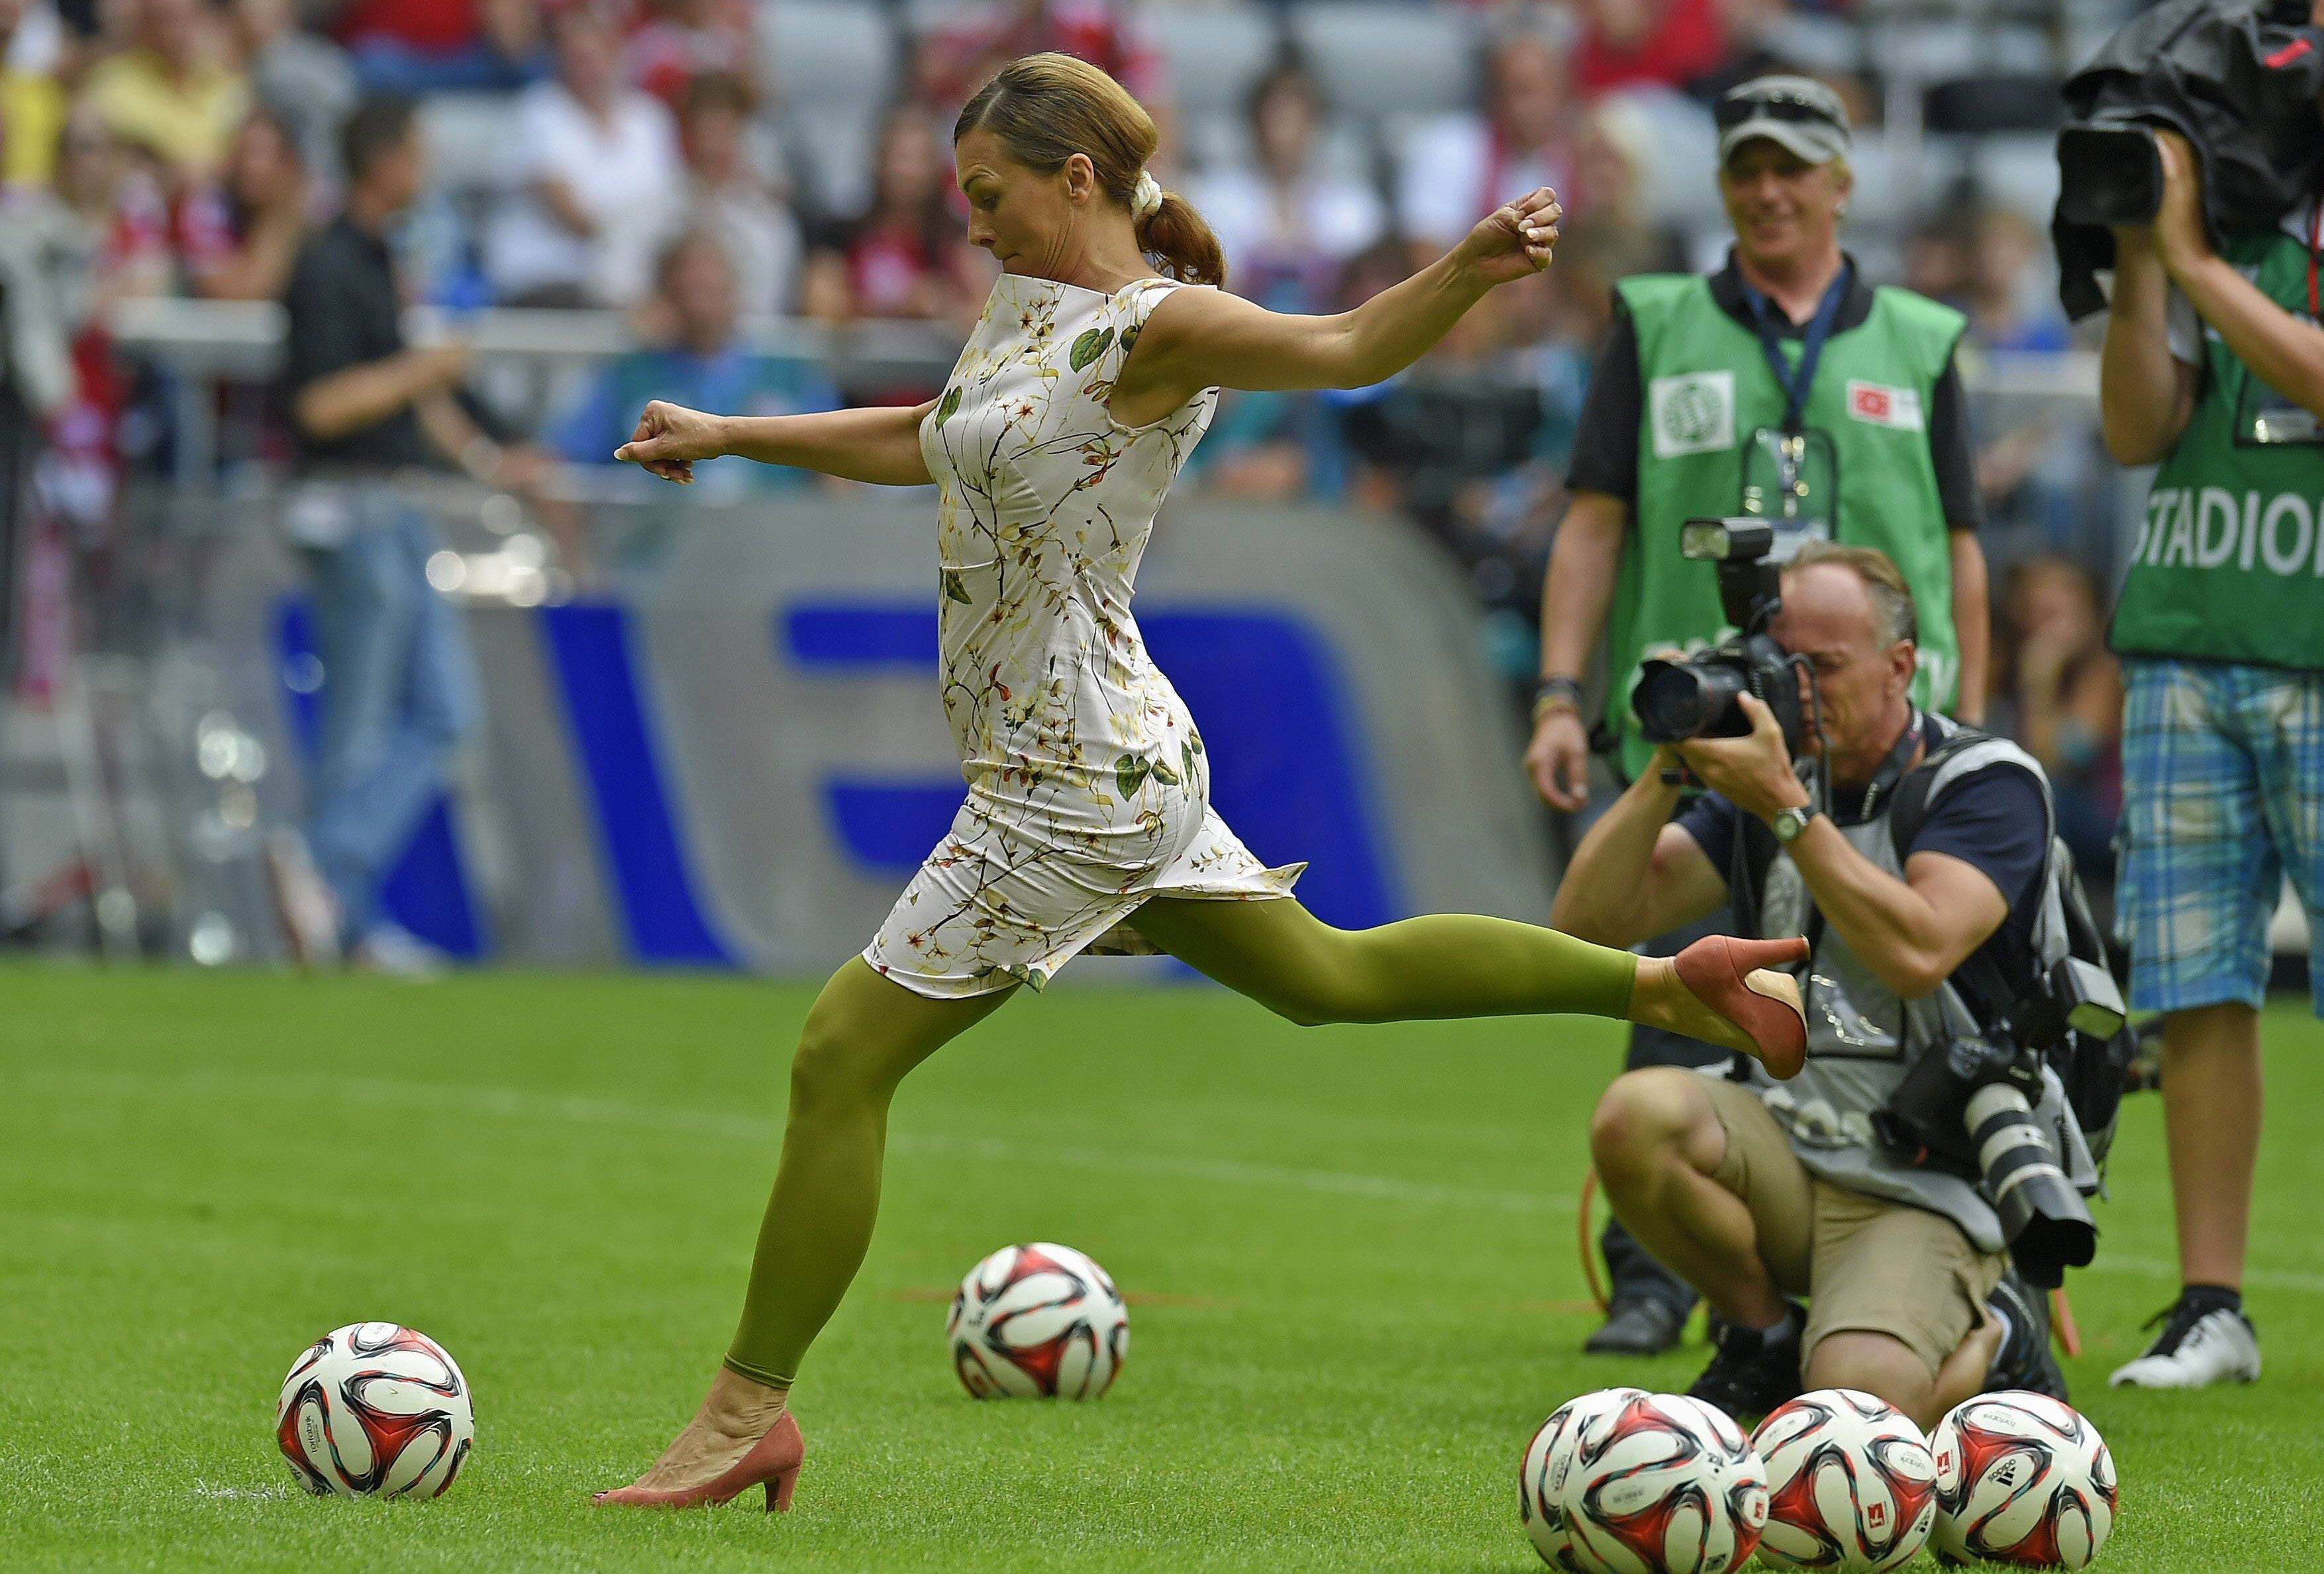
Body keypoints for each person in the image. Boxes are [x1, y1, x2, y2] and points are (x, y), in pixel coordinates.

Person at [589, 52, 1812, 1508]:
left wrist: (1467, 270)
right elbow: (927, 440)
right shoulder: (1025, 310)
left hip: (1066, 783)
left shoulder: (1151, 328)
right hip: (1112, 753)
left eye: (988, 196)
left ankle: (744, 1413)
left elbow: (1352, 345)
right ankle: (1665, 989)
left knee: (835, 1060)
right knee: (1327, 978)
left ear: (1077, 179)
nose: (969, 224)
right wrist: (735, 435)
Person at [1522, 76, 1992, 1357]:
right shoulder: (1656, 319)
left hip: (1878, 742)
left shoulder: (1919, 336)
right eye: (1746, 168)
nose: (1768, 190)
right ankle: (1652, 1272)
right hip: (1698, 716)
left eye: (1793, 168)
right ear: (1721, 183)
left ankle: (1910, 1231)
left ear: (1841, 184)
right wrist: (1561, 694)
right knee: (1656, 979)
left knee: (1882, 993)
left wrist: (1981, 730)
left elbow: (1958, 551)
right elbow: (1592, 521)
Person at [1554, 543, 2074, 1428]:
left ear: (1900, 665)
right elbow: (1587, 925)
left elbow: (1920, 948)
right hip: (1791, 1146)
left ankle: (1997, 1333)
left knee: (1849, 1409)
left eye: (1824, 666)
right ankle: (1759, 1337)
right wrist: (1667, 770)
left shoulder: (1982, 783)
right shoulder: (1769, 783)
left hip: (1930, 1172)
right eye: (1781, 665)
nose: (1796, 689)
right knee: (1635, 1117)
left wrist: (1789, 808)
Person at [2093, 127, 2324, 1389]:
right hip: (2187, 631)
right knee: (2192, 988)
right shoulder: (2234, 208)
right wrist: (2139, 262)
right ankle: (2209, 1303)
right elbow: (2135, 431)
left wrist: (2185, 258)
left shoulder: (2216, 240)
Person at [275, 96, 552, 971]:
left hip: (395, 507)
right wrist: (421, 367)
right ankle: (332, 896)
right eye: (417, 155)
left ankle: (332, 894)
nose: (425, 172)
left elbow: (413, 397)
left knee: (444, 712)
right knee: (360, 727)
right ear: (384, 160)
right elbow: (320, 405)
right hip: (351, 508)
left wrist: (482, 456)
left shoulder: (378, 260)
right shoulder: (324, 265)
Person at [553, 230, 837, 497]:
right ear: (665, 295)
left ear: (734, 289)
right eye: (688, 290)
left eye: (710, 288)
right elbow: (566, 458)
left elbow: (837, 464)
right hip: (660, 540)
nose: (700, 305)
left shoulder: (788, 372)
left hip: (774, 536)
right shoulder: (631, 376)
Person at [484, 2, 682, 309]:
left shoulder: (651, 119)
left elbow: (667, 205)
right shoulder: (537, 112)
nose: (588, 69)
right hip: (547, 279)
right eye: (575, 58)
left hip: (631, 281)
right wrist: (631, 242)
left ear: (617, 53)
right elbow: (570, 213)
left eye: (594, 56)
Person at [1187, 59, 1386, 318]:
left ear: (1316, 125)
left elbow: (1363, 289)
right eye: (1276, 118)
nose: (1284, 132)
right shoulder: (1218, 196)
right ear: (1255, 123)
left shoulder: (1352, 202)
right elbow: (1210, 285)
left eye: (1296, 119)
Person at [1397, 28, 1578, 256]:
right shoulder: (1448, 149)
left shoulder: (1578, 157)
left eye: (1544, 90)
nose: (1531, 107)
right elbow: (1425, 255)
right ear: (1494, 93)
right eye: (1520, 90)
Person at [799, 105, 985, 326]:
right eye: (900, 157)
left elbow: (985, 313)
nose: (907, 171)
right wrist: (893, 305)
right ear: (878, 160)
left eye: (919, 159)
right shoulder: (842, 233)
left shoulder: (955, 240)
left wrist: (941, 305)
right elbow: (818, 305)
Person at [83, 0, 252, 187]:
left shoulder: (229, 86)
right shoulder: (113, 83)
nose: (175, 33)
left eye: (184, 19)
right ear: (143, 23)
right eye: (165, 20)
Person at [675, 72, 801, 319]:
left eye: (723, 131)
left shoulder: (768, 221)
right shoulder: (651, 208)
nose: (712, 145)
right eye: (704, 131)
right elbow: (618, 283)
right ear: (688, 135)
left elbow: (771, 303)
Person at [177, 108, 307, 301]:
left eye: (261, 154)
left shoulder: (316, 214)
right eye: (243, 152)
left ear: (288, 163)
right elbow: (237, 292)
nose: (249, 165)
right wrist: (280, 224)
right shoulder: (208, 206)